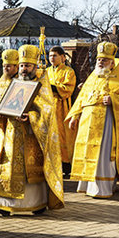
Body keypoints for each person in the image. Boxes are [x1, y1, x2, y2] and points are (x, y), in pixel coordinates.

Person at [0, 44, 64, 215]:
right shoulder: (14, 83)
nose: (23, 69)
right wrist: (0, 115)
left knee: (30, 168)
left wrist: (32, 117)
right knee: (9, 165)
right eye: (21, 65)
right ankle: (3, 202)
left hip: (31, 135)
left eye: (27, 66)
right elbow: (5, 104)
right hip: (12, 133)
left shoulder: (41, 84)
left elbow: (47, 110)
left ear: (35, 66)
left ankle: (37, 203)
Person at [66, 42, 119, 198]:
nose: (100, 62)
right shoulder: (93, 77)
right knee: (88, 151)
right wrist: (74, 116)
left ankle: (103, 187)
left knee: (103, 153)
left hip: (107, 122)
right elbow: (81, 98)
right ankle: (87, 184)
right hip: (88, 122)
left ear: (112, 63)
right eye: (99, 60)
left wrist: (114, 99)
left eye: (104, 60)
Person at [45, 46, 77, 177]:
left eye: (55, 56)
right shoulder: (46, 71)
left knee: (63, 136)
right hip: (49, 107)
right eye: (50, 55)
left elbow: (68, 89)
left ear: (63, 57)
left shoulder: (69, 72)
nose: (52, 58)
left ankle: (66, 165)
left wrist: (52, 87)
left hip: (62, 107)